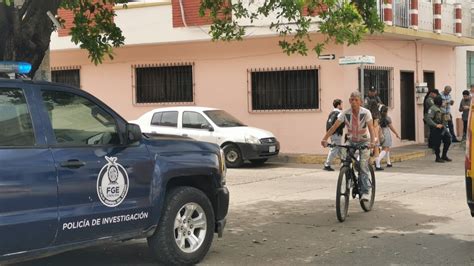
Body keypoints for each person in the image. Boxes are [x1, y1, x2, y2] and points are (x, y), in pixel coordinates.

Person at [321, 91, 376, 202]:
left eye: (356, 100)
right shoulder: (345, 113)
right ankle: (349, 178)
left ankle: (365, 191)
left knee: (363, 164)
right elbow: (333, 127)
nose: (353, 102)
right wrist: (325, 139)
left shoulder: (366, 113)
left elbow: (371, 128)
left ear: (360, 101)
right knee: (345, 162)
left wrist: (372, 143)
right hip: (351, 141)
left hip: (365, 141)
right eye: (351, 100)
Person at [425, 95, 451, 163]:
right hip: (436, 129)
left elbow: (444, 117)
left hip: (443, 128)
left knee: (448, 140)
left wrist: (447, 117)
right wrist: (436, 125)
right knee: (437, 143)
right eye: (441, 101)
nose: (442, 102)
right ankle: (437, 157)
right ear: (439, 101)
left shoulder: (441, 108)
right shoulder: (432, 109)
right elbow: (428, 119)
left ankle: (444, 155)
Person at [375, 105, 400, 170]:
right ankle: (378, 160)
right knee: (386, 148)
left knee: (385, 148)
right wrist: (396, 133)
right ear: (386, 112)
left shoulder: (378, 118)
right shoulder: (387, 118)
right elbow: (391, 127)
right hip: (386, 133)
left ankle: (388, 162)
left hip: (379, 133)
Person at [323, 99, 344, 171]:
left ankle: (344, 163)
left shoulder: (331, 113)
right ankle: (327, 165)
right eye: (341, 104)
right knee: (334, 149)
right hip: (337, 134)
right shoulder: (339, 113)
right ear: (338, 105)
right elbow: (341, 124)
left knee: (339, 149)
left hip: (332, 133)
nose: (342, 106)